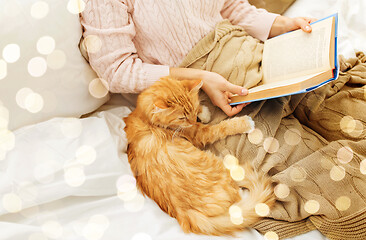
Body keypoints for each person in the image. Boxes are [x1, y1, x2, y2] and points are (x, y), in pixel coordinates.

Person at [80, 0, 315, 116]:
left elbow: (231, 8)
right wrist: (199, 79)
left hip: (254, 59)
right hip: (202, 102)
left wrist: (283, 24)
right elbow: (117, 71)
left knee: (337, 111)